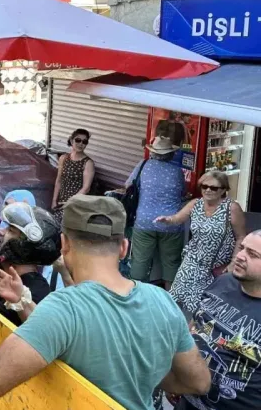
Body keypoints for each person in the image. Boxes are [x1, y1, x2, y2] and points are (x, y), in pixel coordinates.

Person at [0, 195, 211, 409]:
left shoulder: (63, 309)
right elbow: (199, 382)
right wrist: (139, 374)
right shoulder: (163, 300)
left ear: (65, 245)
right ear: (123, 247)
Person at [175, 230, 261, 410]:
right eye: (242, 248)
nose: (240, 256)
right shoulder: (223, 282)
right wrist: (178, 374)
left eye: (252, 254)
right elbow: (195, 324)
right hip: (187, 399)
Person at [156, 171, 246, 315]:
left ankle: (194, 328)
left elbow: (241, 237)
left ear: (223, 190)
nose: (208, 190)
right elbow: (177, 218)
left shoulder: (231, 208)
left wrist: (233, 262)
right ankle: (175, 326)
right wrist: (167, 220)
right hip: (192, 261)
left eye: (213, 188)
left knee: (203, 307)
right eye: (204, 186)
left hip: (215, 267)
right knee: (175, 299)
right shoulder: (195, 204)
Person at [128, 136, 187, 290]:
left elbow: (128, 185)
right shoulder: (177, 171)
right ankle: (170, 296)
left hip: (144, 222)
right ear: (171, 154)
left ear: (153, 152)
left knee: (140, 261)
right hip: (171, 223)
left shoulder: (143, 165)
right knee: (171, 262)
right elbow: (182, 192)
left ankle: (138, 294)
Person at [51, 128, 95, 224]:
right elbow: (58, 181)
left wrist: (70, 202)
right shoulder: (63, 158)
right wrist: (54, 201)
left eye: (84, 141)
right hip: (61, 202)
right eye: (78, 140)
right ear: (71, 141)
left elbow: (86, 188)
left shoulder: (88, 163)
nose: (81, 144)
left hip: (76, 203)